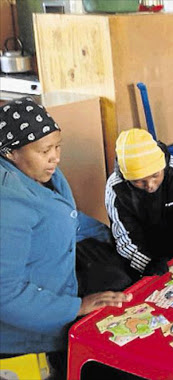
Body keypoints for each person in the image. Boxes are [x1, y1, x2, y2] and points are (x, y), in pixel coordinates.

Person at [0, 97, 132, 378]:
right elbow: (4, 294)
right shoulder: (7, 204)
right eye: (45, 150)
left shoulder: (41, 174)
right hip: (27, 335)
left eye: (58, 146)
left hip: (57, 292)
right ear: (10, 153)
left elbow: (68, 218)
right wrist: (77, 306)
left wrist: (115, 240)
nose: (55, 157)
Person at [105, 128, 173, 279]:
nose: (150, 185)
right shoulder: (115, 188)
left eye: (156, 175)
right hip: (143, 254)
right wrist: (146, 263)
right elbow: (123, 238)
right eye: (139, 181)